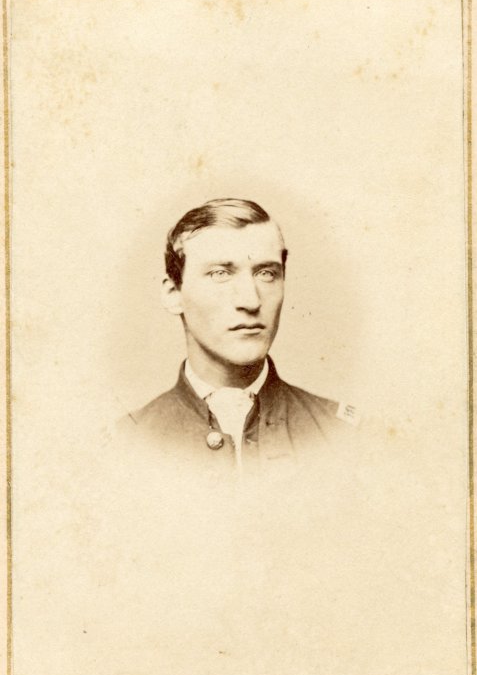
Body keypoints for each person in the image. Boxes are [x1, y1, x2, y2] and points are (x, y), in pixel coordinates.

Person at [125, 198, 358, 477]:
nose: (251, 300)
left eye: (266, 273)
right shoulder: (127, 444)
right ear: (174, 294)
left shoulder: (346, 436)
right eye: (220, 274)